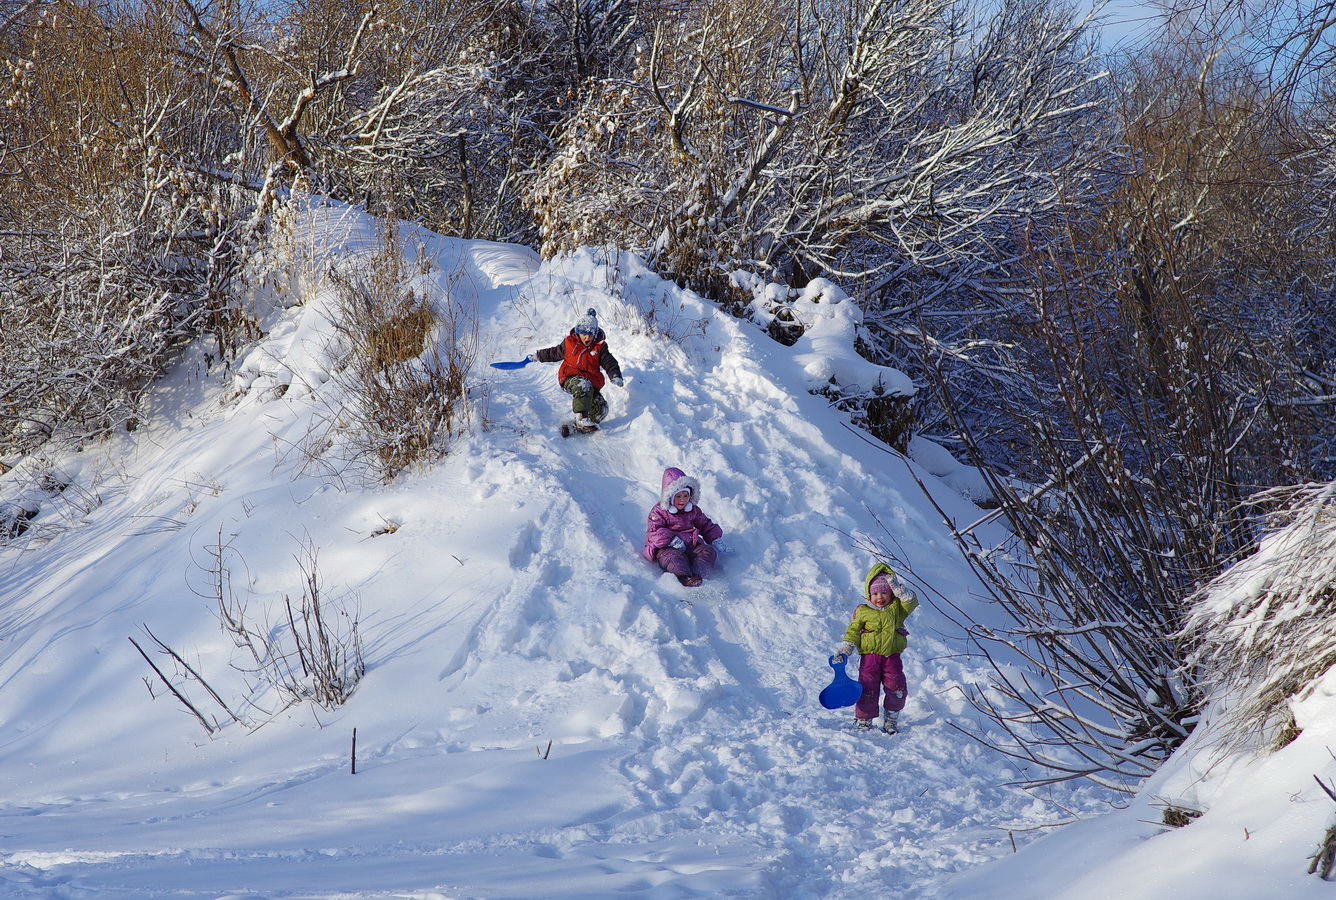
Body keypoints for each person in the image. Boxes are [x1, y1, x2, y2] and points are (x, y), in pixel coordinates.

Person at [833, 562, 918, 733]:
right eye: (876, 593)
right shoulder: (863, 611)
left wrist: (900, 590)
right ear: (869, 595)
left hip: (891, 658)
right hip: (869, 659)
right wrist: (846, 648)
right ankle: (864, 719)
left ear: (891, 594)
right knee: (867, 688)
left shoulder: (897, 610)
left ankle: (891, 718)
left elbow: (911, 602)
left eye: (885, 592)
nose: (880, 597)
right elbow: (853, 631)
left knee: (896, 687)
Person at [529, 307, 623, 433]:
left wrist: (615, 375)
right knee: (583, 385)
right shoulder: (569, 343)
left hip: (591, 382)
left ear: (595, 334)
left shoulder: (600, 347)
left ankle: (576, 427)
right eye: (584, 334)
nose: (586, 337)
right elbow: (554, 353)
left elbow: (609, 362)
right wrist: (539, 355)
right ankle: (581, 419)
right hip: (570, 377)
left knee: (602, 408)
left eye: (590, 334)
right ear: (578, 333)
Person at [643, 467, 726, 587]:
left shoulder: (693, 510)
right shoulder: (659, 512)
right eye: (678, 496)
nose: (682, 500)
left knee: (708, 551)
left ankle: (700, 576)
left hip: (690, 546)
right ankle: (684, 578)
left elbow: (705, 524)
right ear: (670, 497)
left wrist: (715, 539)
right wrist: (671, 540)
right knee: (674, 558)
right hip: (667, 549)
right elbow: (654, 532)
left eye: (685, 495)